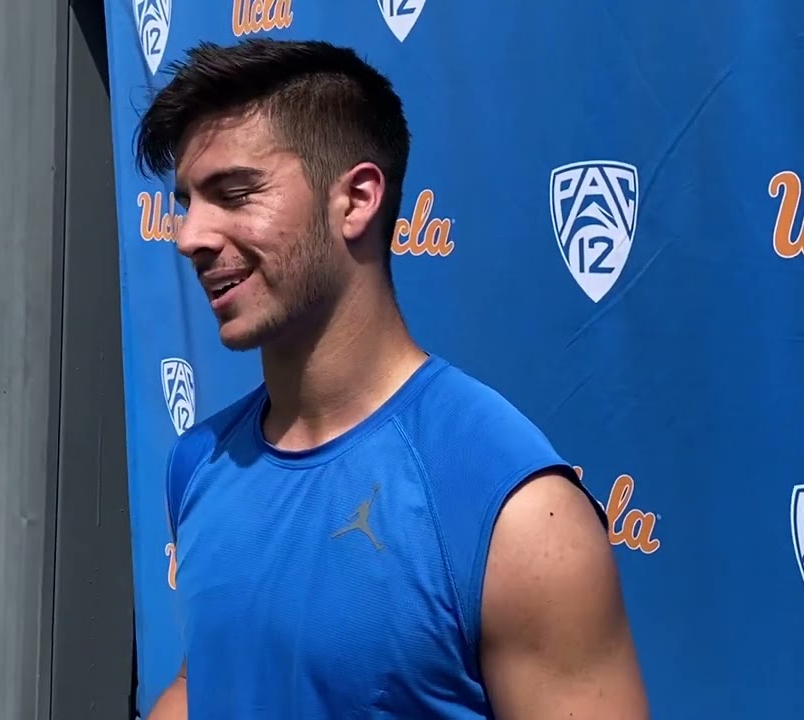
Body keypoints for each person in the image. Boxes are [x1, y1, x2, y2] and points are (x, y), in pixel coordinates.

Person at [137, 38, 649, 720]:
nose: (190, 235)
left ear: (355, 200)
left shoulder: (517, 513)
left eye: (234, 193)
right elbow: (207, 681)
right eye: (187, 201)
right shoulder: (198, 461)